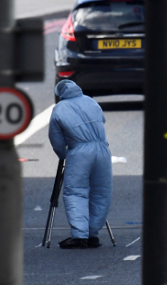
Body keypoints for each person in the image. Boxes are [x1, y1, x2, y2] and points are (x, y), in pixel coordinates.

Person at [49, 80, 112, 249]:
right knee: (100, 192)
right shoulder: (91, 102)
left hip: (79, 152)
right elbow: (102, 121)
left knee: (76, 192)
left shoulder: (59, 108)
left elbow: (56, 139)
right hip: (102, 149)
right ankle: (93, 234)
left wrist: (63, 154)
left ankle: (79, 235)